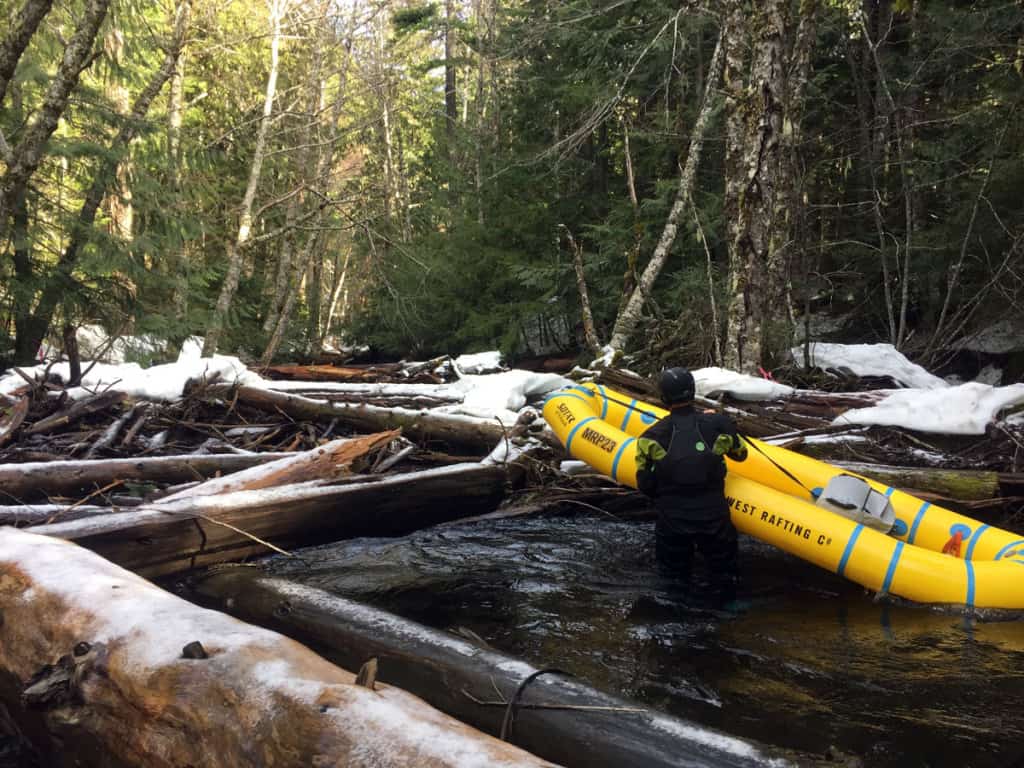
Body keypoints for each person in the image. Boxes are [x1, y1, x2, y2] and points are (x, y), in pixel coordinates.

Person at [635, 367, 748, 607]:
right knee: (724, 578)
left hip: (673, 520)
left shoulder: (650, 437)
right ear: (693, 392)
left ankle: (676, 622)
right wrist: (719, 423)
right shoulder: (718, 425)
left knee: (673, 584)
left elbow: (644, 484)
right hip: (714, 519)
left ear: (663, 398)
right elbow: (741, 455)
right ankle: (727, 613)